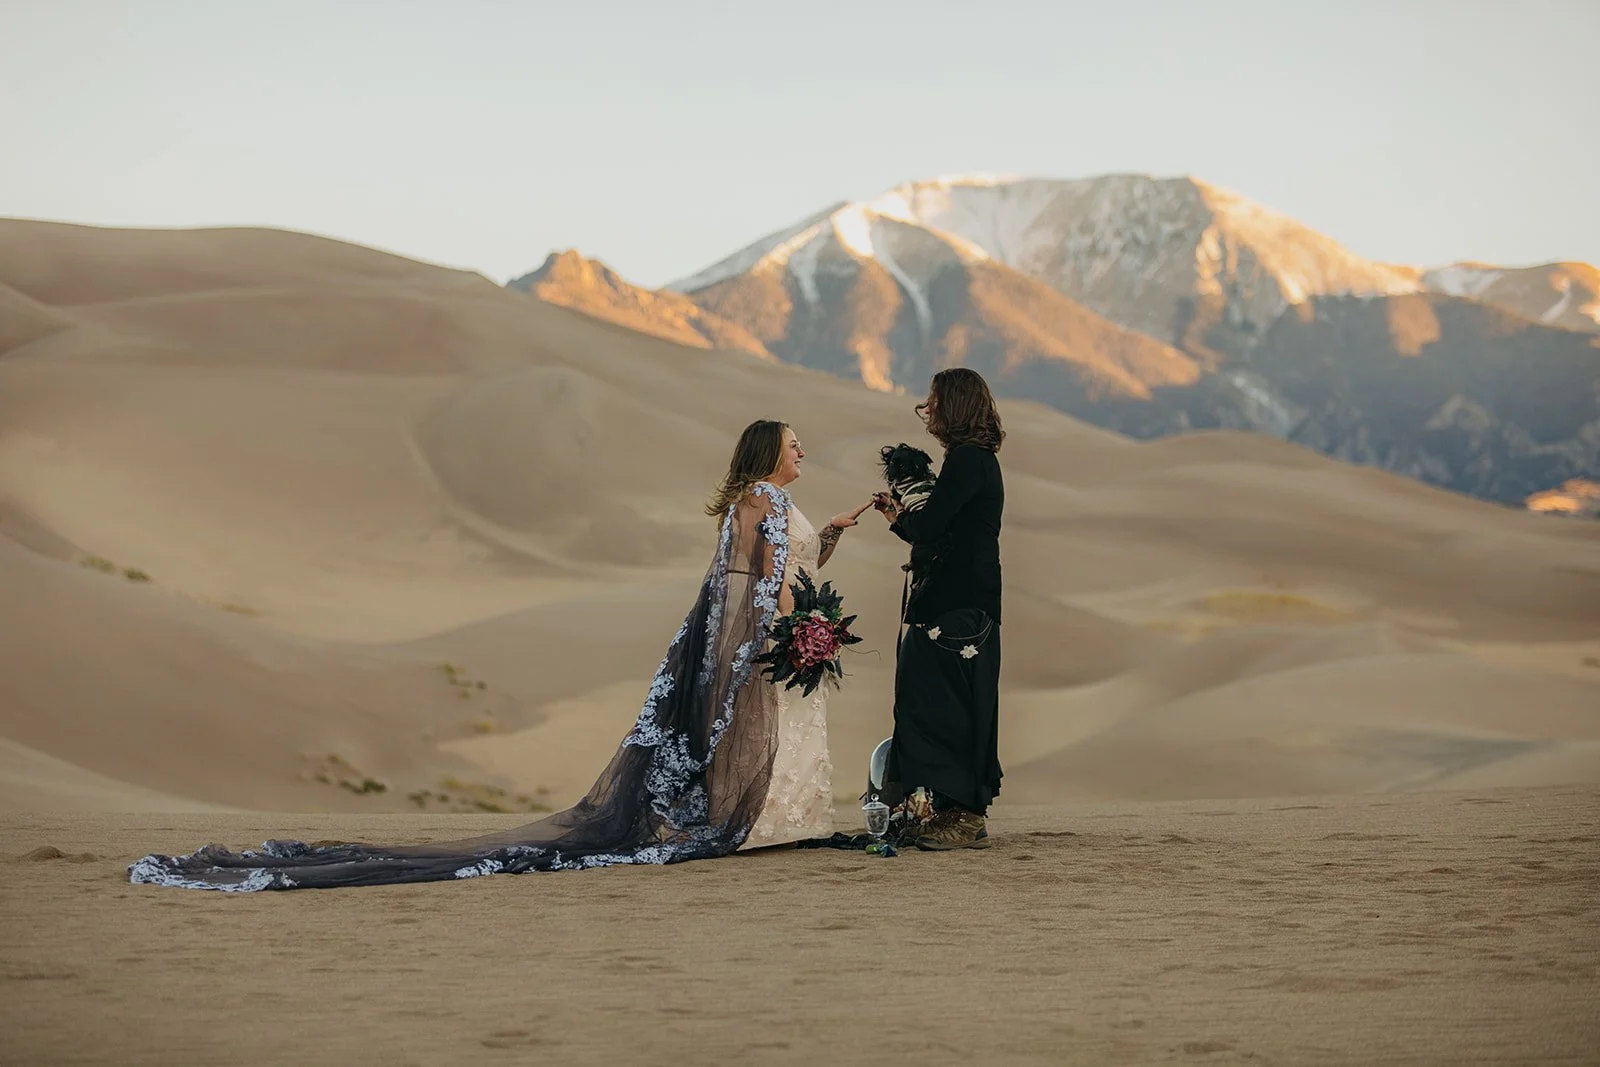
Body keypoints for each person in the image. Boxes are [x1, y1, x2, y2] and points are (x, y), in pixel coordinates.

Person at [129, 420, 872, 891]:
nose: (803, 450)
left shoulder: (751, 499)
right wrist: (797, 629)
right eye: (795, 442)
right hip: (768, 635)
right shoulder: (769, 502)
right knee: (768, 726)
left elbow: (770, 567)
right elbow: (771, 579)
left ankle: (770, 820)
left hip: (732, 634)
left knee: (743, 729)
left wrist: (832, 531)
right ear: (770, 452)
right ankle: (770, 823)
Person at [873, 368, 1005, 850]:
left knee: (943, 708)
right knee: (934, 704)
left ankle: (965, 817)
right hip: (959, 603)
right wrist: (900, 518)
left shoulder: (968, 460)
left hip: (956, 606)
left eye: (933, 402)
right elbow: (937, 532)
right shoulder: (972, 460)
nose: (927, 410)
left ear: (953, 406)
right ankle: (953, 812)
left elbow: (930, 528)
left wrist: (912, 506)